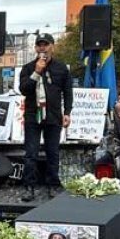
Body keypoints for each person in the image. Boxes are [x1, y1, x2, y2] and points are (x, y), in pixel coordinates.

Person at [18, 33, 73, 201]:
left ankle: (53, 185)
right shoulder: (28, 68)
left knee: (53, 152)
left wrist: (67, 112)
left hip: (53, 116)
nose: (43, 48)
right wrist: (36, 72)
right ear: (35, 48)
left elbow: (68, 92)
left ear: (52, 47)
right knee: (31, 153)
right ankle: (29, 187)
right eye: (39, 45)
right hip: (33, 116)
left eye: (46, 44)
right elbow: (24, 89)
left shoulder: (61, 68)